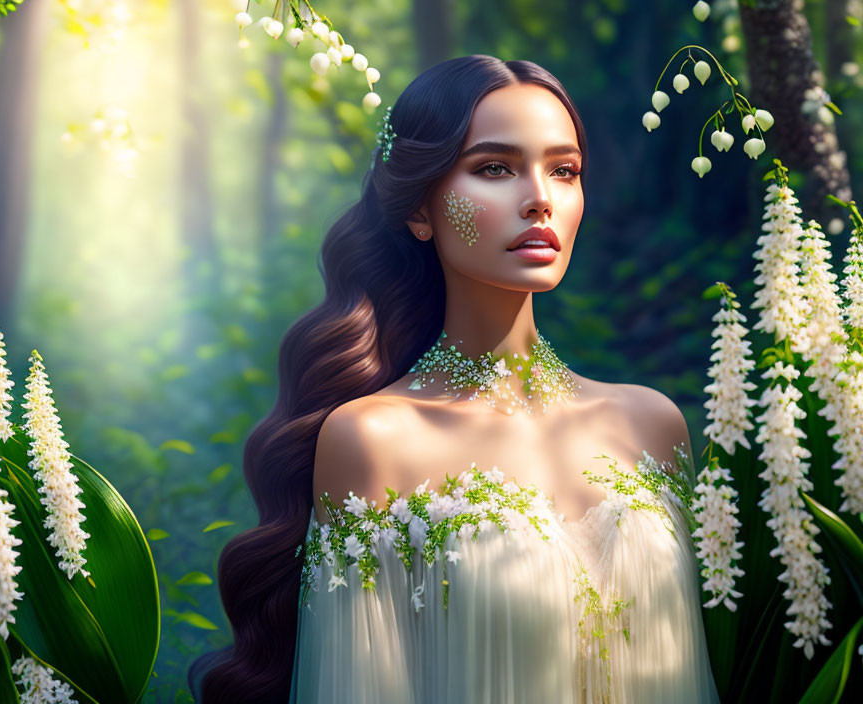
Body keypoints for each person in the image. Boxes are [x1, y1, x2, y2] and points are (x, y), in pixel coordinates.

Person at [190, 54, 721, 704]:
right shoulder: (374, 440)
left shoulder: (651, 425)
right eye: (495, 168)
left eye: (564, 170)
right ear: (420, 207)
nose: (539, 199)